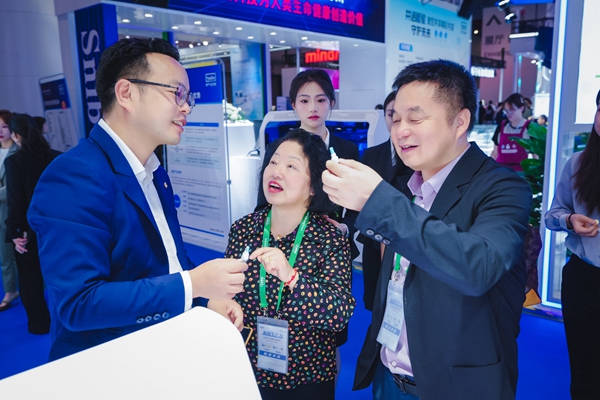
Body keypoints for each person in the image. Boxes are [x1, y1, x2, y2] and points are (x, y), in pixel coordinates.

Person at [322, 59, 532, 400]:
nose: (400, 131)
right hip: (388, 373)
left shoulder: (503, 187)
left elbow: (479, 267)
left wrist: (378, 201)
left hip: (454, 386)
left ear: (460, 121)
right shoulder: (407, 185)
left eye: (415, 119)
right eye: (395, 119)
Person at [27, 38, 247, 360]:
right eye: (176, 93)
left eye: (188, 97)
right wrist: (193, 285)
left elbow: (167, 260)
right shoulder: (75, 174)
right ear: (126, 93)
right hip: (108, 364)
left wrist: (205, 298)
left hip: (159, 351)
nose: (186, 107)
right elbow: (79, 303)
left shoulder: (153, 171)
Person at [222, 129, 354, 399]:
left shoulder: (330, 239)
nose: (276, 171)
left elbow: (339, 314)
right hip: (249, 367)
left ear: (314, 185)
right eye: (273, 162)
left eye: (291, 166)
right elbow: (226, 291)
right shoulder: (243, 229)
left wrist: (292, 277)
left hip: (308, 375)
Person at [544, 89, 600, 400]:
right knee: (584, 373)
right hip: (584, 279)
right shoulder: (578, 163)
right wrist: (569, 220)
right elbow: (552, 215)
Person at [4, 114, 60, 333]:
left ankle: (40, 325)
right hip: (59, 228)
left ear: (16, 135)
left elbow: (16, 201)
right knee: (62, 275)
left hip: (29, 232)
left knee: (30, 281)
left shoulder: (14, 162)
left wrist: (15, 232)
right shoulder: (56, 157)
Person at [357, 92, 411, 311]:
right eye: (392, 115)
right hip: (373, 236)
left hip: (404, 236)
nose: (396, 122)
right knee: (374, 295)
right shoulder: (371, 154)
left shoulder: (417, 156)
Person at [0, 110, 19, 312]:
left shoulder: (18, 152)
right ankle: (10, 290)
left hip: (13, 210)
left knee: (23, 254)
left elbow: (14, 186)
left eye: (4, 126)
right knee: (4, 256)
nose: (0, 130)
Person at [491, 93, 531, 171]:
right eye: (506, 111)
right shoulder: (502, 127)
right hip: (500, 172)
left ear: (521, 108)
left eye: (511, 110)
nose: (508, 114)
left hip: (520, 173)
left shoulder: (529, 128)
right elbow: (495, 152)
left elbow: (535, 156)